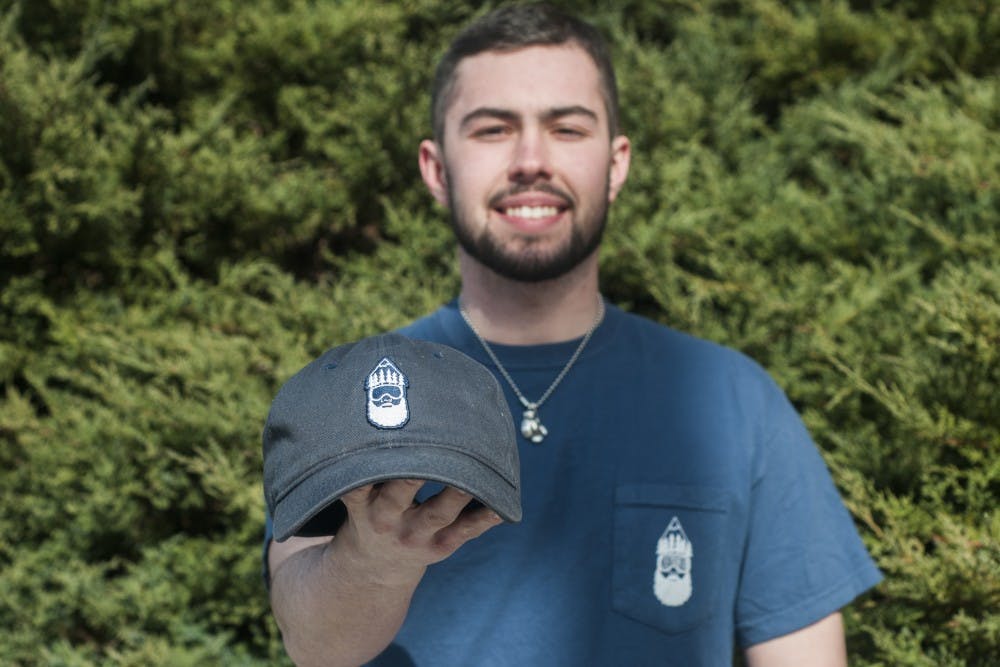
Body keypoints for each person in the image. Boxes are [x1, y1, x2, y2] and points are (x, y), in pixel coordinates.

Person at [264, 4, 882, 666]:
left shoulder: (732, 400)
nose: (532, 160)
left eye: (566, 128)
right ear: (436, 169)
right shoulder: (352, 398)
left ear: (616, 164)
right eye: (493, 129)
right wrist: (376, 560)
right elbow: (313, 643)